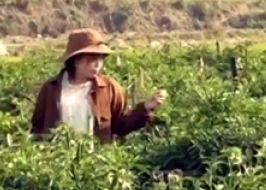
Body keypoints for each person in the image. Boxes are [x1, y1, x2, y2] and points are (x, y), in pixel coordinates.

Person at [30, 28, 166, 141]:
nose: (97, 64)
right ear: (76, 60)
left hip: (96, 162)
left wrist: (145, 108)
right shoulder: (51, 89)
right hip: (59, 160)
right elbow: (37, 127)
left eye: (100, 59)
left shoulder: (109, 88)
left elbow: (122, 125)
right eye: (92, 59)